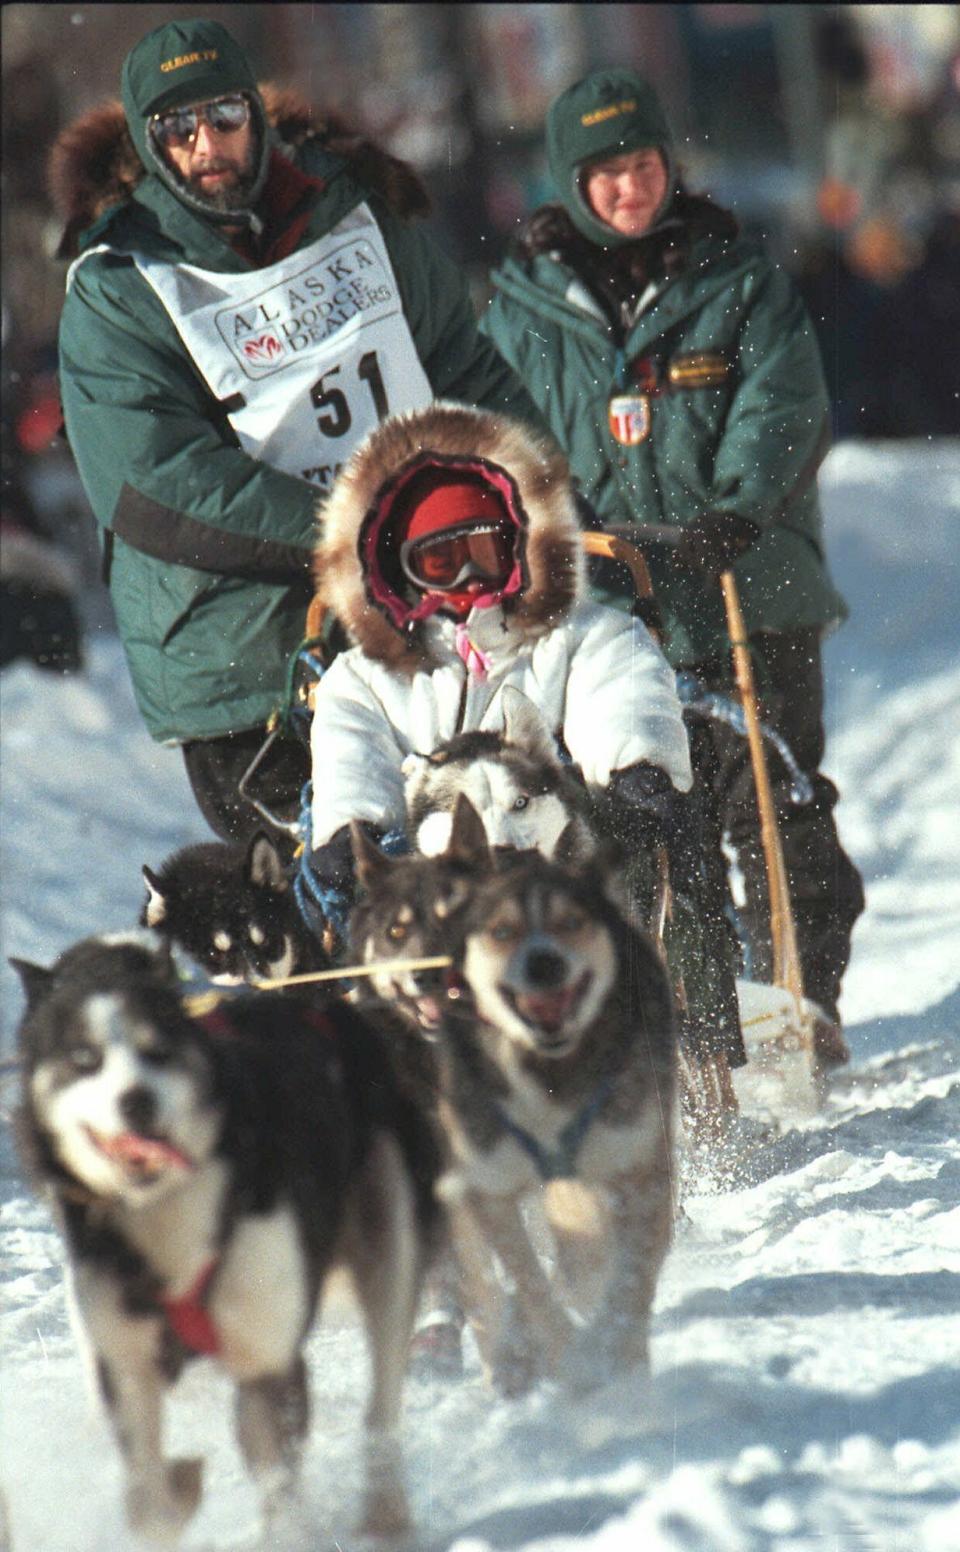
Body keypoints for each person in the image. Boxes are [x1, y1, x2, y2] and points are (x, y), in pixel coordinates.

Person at [50, 16, 548, 850]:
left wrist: (542, 494)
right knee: (338, 930)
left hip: (428, 615)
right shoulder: (119, 286)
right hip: (249, 659)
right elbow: (156, 485)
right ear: (148, 141)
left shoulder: (357, 217)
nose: (205, 143)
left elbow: (463, 370)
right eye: (177, 129)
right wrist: (356, 534)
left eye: (223, 117)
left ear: (258, 114)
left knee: (479, 883)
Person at [480, 68, 865, 1056]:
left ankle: (802, 997)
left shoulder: (735, 276)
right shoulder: (521, 306)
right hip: (614, 610)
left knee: (778, 809)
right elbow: (504, 437)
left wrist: (730, 511)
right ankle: (707, 1017)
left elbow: (785, 403)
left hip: (751, 581)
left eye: (644, 163)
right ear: (571, 179)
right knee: (664, 823)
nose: (629, 188)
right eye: (605, 172)